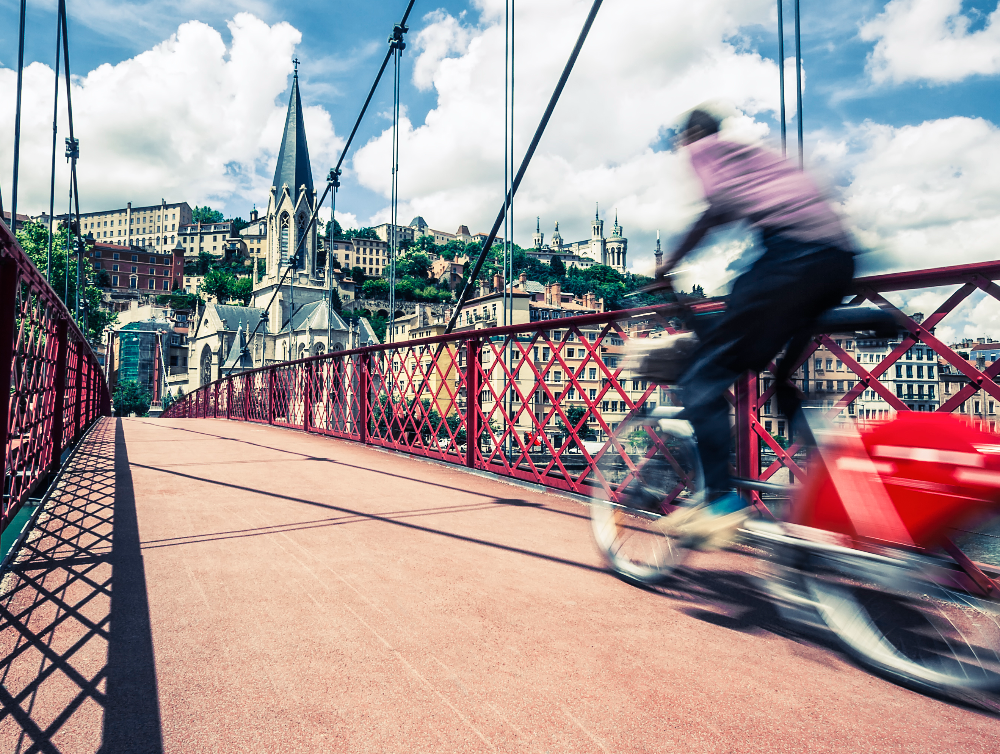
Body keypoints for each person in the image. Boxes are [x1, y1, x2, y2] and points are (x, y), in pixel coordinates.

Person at [657, 108, 855, 547]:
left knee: (702, 380)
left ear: (690, 135)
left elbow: (716, 211)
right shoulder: (756, 154)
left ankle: (722, 500)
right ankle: (835, 484)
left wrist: (671, 264)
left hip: (792, 257)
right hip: (838, 261)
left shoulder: (706, 149)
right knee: (784, 380)